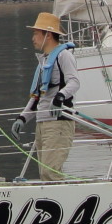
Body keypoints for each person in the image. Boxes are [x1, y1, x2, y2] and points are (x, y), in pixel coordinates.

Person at [20, 12, 81, 180]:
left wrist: (60, 96)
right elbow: (37, 96)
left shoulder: (64, 55)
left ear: (47, 35)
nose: (33, 38)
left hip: (58, 122)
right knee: (44, 172)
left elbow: (74, 82)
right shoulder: (44, 61)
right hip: (42, 122)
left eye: (36, 33)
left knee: (51, 171)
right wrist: (23, 118)